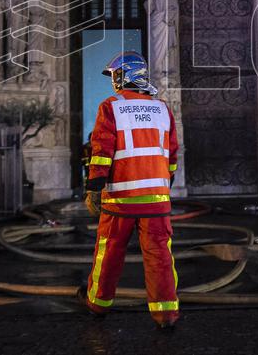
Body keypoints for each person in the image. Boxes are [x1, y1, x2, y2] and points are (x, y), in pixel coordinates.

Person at [79, 51, 180, 328]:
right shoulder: (163, 109)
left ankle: (97, 305)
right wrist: (163, 188)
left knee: (109, 251)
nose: (114, 81)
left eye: (115, 75)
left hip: (120, 201)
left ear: (126, 76)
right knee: (160, 255)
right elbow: (171, 156)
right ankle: (166, 314)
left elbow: (101, 153)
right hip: (158, 202)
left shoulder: (111, 107)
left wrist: (95, 189)